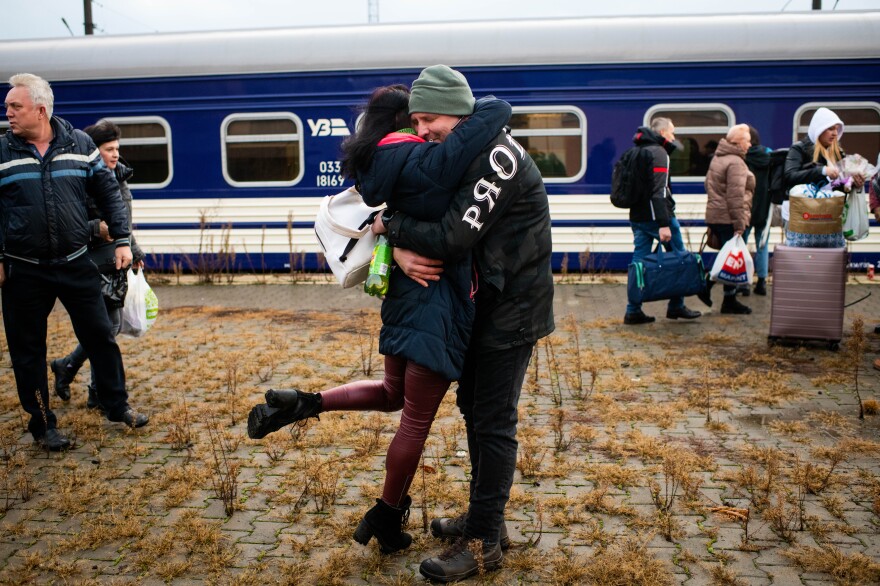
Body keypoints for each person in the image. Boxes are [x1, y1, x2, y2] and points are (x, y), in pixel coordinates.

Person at [246, 80, 512, 554]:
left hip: (407, 296)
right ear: (402, 124)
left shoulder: (385, 165)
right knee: (413, 423)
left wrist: (396, 237)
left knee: (393, 395)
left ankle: (306, 402)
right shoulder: (421, 160)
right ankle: (386, 516)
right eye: (417, 118)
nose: (426, 127)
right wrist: (488, 106)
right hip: (438, 300)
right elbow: (475, 138)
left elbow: (394, 220)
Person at [374, 65, 555, 582]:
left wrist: (394, 226)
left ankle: (483, 544)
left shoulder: (498, 158)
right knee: (475, 409)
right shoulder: (474, 150)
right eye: (417, 121)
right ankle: (485, 522)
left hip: (513, 307)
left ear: (456, 108)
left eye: (429, 119)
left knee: (494, 420)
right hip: (487, 304)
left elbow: (454, 235)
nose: (424, 131)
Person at [0, 73, 148, 451]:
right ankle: (42, 425)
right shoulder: (3, 151)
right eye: (8, 107)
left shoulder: (80, 145)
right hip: (22, 268)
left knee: (101, 336)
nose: (8, 113)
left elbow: (109, 193)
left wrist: (121, 240)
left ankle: (117, 406)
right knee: (27, 350)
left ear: (40, 109)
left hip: (75, 261)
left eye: (15, 106)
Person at [50, 121, 146, 410]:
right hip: (91, 261)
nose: (115, 154)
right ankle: (97, 390)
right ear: (93, 150)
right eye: (109, 149)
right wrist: (96, 229)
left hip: (115, 259)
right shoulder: (81, 179)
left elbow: (123, 222)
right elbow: (67, 221)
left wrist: (135, 249)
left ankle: (68, 366)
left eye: (117, 148)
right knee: (106, 327)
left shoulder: (119, 176)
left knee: (108, 327)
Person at [623, 117, 702, 325]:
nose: (674, 137)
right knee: (680, 258)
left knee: (639, 262)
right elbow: (659, 190)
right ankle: (676, 305)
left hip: (638, 217)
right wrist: (664, 223)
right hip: (657, 218)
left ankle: (633, 310)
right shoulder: (659, 153)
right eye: (672, 132)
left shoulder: (635, 152)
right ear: (662, 133)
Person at [700, 123, 755, 314]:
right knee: (732, 257)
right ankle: (720, 295)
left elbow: (708, 184)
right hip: (730, 218)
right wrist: (739, 224)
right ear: (739, 142)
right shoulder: (736, 162)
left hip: (718, 215)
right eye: (747, 141)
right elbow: (735, 196)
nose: (749, 145)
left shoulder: (718, 158)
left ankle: (722, 295)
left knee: (728, 256)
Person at [784, 106, 864, 194]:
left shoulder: (838, 153)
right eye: (830, 129)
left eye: (837, 129)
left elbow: (834, 187)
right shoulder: (799, 148)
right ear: (819, 129)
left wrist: (850, 182)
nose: (835, 133)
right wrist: (822, 170)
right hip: (807, 205)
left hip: (830, 205)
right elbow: (790, 177)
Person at [743, 125, 772, 296]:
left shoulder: (743, 157)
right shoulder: (769, 155)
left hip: (747, 207)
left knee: (742, 245)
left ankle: (744, 283)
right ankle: (761, 282)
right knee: (763, 244)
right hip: (765, 206)